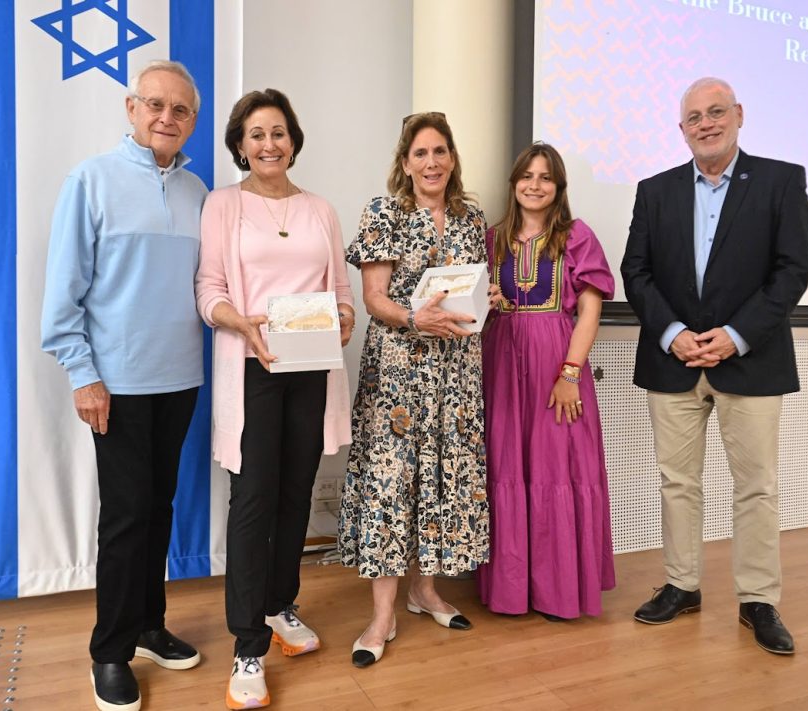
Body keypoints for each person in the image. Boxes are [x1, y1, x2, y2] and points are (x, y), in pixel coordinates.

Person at [621, 77, 808, 655]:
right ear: (682, 130)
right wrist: (675, 334)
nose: (706, 123)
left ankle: (758, 599)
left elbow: (791, 271)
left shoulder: (781, 180)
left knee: (756, 487)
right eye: (695, 117)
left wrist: (733, 337)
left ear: (739, 115)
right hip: (673, 361)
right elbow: (637, 272)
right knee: (677, 482)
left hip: (750, 361)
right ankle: (682, 585)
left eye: (716, 112)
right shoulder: (654, 191)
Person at [40, 60, 206, 711]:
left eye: (181, 109)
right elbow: (63, 295)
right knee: (126, 516)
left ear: (192, 119)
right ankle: (109, 650)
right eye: (156, 105)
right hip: (118, 384)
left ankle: (146, 624)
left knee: (158, 507)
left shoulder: (198, 192)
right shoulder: (91, 180)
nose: (168, 117)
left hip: (181, 379)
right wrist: (85, 375)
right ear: (132, 108)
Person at [195, 88, 355, 709]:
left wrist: (342, 314)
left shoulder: (319, 209)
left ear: (294, 140)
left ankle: (281, 604)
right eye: (257, 134)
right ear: (240, 144)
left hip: (311, 366)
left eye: (279, 132)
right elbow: (207, 289)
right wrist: (242, 323)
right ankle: (246, 645)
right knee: (253, 501)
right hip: (253, 366)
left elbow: (339, 287)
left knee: (296, 494)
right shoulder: (223, 205)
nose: (269, 144)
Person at [338, 112, 490, 668]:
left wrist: (483, 297)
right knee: (391, 480)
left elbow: (470, 287)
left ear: (452, 159)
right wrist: (412, 318)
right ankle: (382, 615)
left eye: (440, 151)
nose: (432, 162)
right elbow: (374, 297)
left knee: (443, 475)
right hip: (400, 367)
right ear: (405, 163)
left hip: (457, 368)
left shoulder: (472, 217)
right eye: (421, 153)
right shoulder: (384, 213)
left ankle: (425, 591)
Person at [477, 143, 616, 621]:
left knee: (557, 469)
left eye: (545, 178)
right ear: (514, 181)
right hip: (501, 366)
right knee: (509, 467)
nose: (534, 185)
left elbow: (590, 310)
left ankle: (559, 591)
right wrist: (487, 300)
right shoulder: (491, 240)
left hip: (557, 365)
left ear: (558, 188)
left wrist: (570, 375)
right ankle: (512, 590)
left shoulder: (575, 236)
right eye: (527, 175)